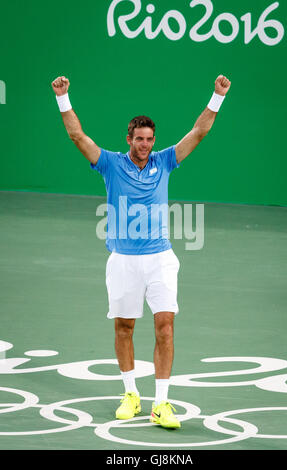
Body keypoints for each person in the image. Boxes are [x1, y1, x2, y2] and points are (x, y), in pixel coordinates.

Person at [51, 74, 231, 429]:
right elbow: (77, 135)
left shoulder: (165, 161)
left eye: (150, 139)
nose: (145, 145)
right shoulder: (110, 164)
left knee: (165, 327)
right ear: (129, 140)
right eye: (139, 139)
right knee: (124, 328)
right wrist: (63, 97)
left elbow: (199, 132)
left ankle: (161, 404)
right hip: (122, 261)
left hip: (160, 259)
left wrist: (218, 95)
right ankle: (131, 394)